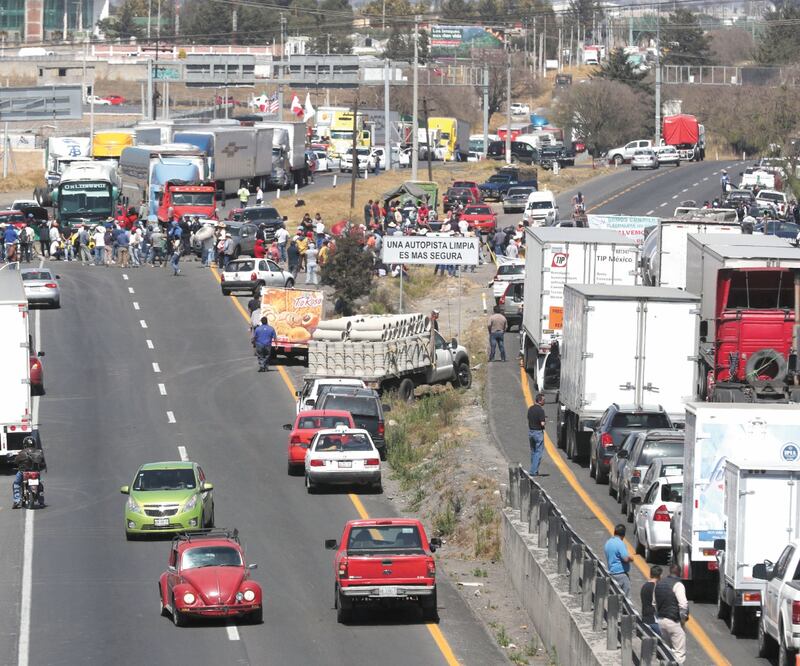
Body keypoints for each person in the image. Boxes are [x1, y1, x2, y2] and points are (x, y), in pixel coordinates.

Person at [655, 564, 689, 663]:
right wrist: (682, 620)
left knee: (666, 652)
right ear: (680, 573)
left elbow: (654, 602)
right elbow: (683, 605)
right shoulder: (678, 585)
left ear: (669, 572)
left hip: (661, 621)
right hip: (673, 621)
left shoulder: (660, 583)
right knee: (679, 653)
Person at [12, 438, 45, 509]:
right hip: (36, 472)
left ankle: (17, 501)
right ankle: (41, 501)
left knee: (16, 484)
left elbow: (16, 462)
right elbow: (43, 463)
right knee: (40, 485)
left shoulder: (22, 452)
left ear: (25, 444)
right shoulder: (39, 452)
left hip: (23, 472)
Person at [604, 524, 633, 596]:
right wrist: (631, 558)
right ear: (623, 535)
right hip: (621, 575)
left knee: (614, 596)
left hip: (612, 573)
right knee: (626, 598)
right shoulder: (620, 543)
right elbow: (625, 559)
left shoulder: (608, 542)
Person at [641, 565, 663, 637]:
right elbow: (656, 603)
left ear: (650, 574)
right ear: (660, 576)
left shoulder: (645, 586)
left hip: (645, 618)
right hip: (653, 620)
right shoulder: (655, 587)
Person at [527, 392, 546, 476]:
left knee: (533, 451)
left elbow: (528, 418)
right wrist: (545, 422)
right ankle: (533, 471)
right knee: (538, 452)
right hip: (538, 432)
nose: (544, 401)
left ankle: (534, 469)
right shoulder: (541, 410)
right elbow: (542, 423)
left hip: (531, 432)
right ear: (540, 401)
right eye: (543, 400)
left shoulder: (530, 408)